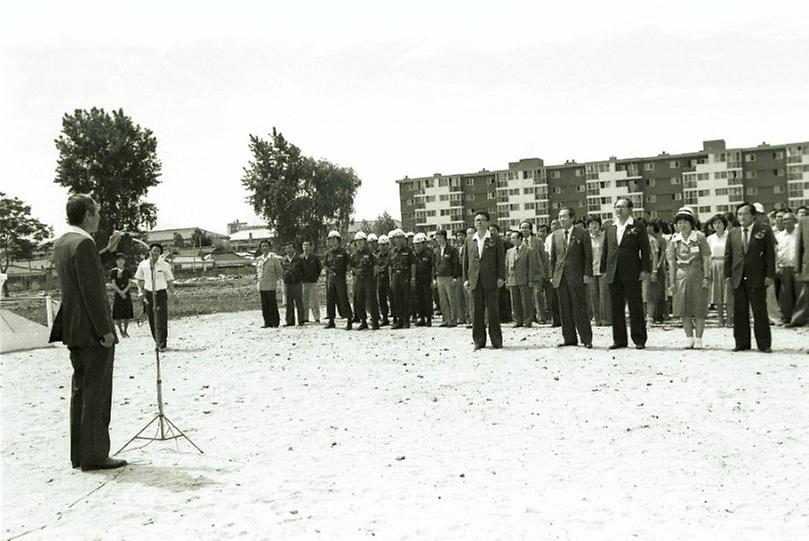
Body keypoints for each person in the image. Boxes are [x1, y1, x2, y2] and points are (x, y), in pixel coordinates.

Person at [49, 193, 126, 471]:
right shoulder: (83, 243)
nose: (99, 217)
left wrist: (106, 251)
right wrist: (105, 330)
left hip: (73, 329)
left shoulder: (64, 242)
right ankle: (95, 456)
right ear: (87, 214)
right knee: (97, 392)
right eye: (97, 212)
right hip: (92, 330)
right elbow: (91, 291)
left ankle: (80, 454)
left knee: (81, 391)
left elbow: (84, 271)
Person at [725, 202, 776, 352]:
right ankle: (741, 343)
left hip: (757, 277)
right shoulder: (733, 233)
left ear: (753, 215)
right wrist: (727, 275)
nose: (742, 217)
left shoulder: (764, 231)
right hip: (738, 277)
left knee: (759, 311)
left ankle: (764, 344)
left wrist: (769, 275)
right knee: (740, 312)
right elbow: (728, 256)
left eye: (745, 214)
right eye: (739, 214)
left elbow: (770, 256)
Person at [600, 198, 651, 350]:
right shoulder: (610, 227)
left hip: (632, 272)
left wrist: (644, 269)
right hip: (613, 271)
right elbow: (605, 250)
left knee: (635, 306)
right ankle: (619, 340)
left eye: (622, 207)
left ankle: (639, 339)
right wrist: (603, 270)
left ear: (629, 209)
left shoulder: (637, 226)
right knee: (616, 307)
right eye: (616, 207)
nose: (619, 210)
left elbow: (645, 250)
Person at [667, 207, 711, 349]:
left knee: (699, 307)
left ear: (691, 223)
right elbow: (672, 262)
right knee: (683, 308)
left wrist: (706, 276)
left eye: (686, 222)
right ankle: (689, 338)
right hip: (681, 275)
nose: (682, 225)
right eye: (679, 222)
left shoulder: (700, 237)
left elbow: (706, 258)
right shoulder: (674, 240)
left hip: (697, 274)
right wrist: (672, 281)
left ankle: (698, 338)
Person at [550, 207, 593, 348]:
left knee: (579, 308)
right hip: (560, 277)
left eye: (564, 217)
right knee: (564, 309)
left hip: (577, 276)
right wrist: (552, 275)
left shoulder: (582, 233)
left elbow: (588, 256)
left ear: (572, 218)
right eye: (560, 217)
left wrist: (587, 274)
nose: (561, 219)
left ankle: (586, 339)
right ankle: (569, 339)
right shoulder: (555, 235)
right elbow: (554, 258)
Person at [463, 211, 505, 349]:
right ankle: (479, 341)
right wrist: (466, 279)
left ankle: (496, 341)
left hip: (491, 280)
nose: (479, 222)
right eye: (476, 220)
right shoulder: (469, 239)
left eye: (482, 220)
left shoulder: (495, 238)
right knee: (476, 312)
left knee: (493, 311)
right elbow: (465, 262)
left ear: (487, 222)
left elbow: (500, 260)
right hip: (475, 280)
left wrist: (501, 277)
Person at [135, 243, 175, 352]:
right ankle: (157, 342)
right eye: (154, 250)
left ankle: (162, 344)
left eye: (158, 251)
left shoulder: (164, 265)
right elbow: (139, 280)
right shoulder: (143, 264)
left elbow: (170, 280)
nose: (155, 252)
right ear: (150, 251)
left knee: (161, 318)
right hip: (148, 294)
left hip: (161, 294)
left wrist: (173, 294)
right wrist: (140, 292)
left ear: (160, 253)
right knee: (152, 319)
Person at [506, 230, 538, 327]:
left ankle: (527, 320)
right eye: (511, 238)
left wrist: (531, 280)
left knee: (526, 301)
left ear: (520, 238)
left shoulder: (528, 250)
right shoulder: (509, 251)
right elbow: (506, 266)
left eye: (513, 238)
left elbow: (531, 266)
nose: (511, 240)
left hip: (524, 279)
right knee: (515, 302)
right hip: (512, 279)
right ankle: (517, 320)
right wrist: (507, 280)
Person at [350, 231, 380, 330]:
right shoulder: (354, 254)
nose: (359, 243)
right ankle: (363, 321)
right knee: (359, 300)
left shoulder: (370, 253)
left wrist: (373, 277)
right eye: (357, 242)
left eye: (361, 241)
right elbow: (352, 266)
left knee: (372, 301)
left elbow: (376, 266)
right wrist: (356, 272)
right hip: (359, 279)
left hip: (369, 279)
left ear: (365, 242)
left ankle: (375, 321)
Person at [324, 230, 353, 330]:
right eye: (330, 240)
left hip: (340, 278)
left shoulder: (344, 252)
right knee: (330, 299)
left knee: (343, 298)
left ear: (338, 240)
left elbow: (348, 266)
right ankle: (331, 320)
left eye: (334, 239)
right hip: (331, 278)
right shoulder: (328, 253)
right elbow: (326, 266)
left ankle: (349, 320)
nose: (332, 242)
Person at [707, 214, 732, 327]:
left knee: (728, 294)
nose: (717, 225)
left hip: (727, 264)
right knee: (717, 294)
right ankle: (720, 319)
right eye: (715, 223)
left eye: (719, 223)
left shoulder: (729, 236)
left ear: (724, 224)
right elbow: (707, 255)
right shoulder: (710, 238)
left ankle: (730, 319)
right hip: (714, 265)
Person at [433, 229, 461, 327]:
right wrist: (434, 277)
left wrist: (454, 276)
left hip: (449, 277)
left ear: (444, 237)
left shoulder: (452, 249)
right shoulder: (436, 250)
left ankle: (453, 320)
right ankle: (446, 319)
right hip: (439, 277)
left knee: (451, 299)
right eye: (437, 238)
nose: (438, 240)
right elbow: (434, 265)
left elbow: (455, 264)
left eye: (439, 237)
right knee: (442, 299)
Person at [785, 214, 809, 329]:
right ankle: (798, 320)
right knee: (805, 297)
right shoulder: (804, 222)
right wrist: (797, 269)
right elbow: (799, 248)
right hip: (807, 267)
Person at [389, 228, 415, 329]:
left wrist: (413, 278)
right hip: (396, 275)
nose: (398, 240)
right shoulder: (392, 252)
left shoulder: (408, 251)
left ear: (404, 239)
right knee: (397, 299)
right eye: (396, 238)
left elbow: (413, 264)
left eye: (400, 238)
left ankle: (406, 320)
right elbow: (390, 266)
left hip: (405, 275)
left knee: (406, 298)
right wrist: (391, 279)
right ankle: (399, 320)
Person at [776, 212, 799, 323]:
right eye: (784, 220)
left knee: (800, 292)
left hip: (797, 267)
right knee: (785, 293)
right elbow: (776, 253)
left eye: (789, 220)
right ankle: (787, 316)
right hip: (784, 268)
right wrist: (777, 266)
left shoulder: (800, 234)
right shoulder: (779, 236)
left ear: (795, 221)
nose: (787, 222)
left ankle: (800, 317)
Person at [586, 217, 609, 326]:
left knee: (603, 295)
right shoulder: (587, 238)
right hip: (591, 270)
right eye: (591, 224)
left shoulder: (605, 237)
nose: (594, 226)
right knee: (593, 295)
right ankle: (596, 318)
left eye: (596, 224)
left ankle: (605, 318)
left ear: (600, 225)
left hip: (603, 270)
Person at [255, 240, 282, 328]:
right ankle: (267, 322)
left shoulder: (274, 258)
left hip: (271, 284)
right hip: (262, 285)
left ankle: (275, 322)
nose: (264, 248)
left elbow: (279, 271)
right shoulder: (259, 259)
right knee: (265, 305)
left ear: (269, 247)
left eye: (266, 246)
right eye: (263, 246)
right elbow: (258, 272)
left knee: (272, 304)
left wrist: (276, 280)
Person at [412, 233, 434, 326]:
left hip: (427, 280)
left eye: (419, 244)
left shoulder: (429, 254)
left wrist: (433, 280)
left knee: (427, 299)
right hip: (417, 280)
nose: (417, 246)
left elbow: (432, 267)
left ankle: (428, 319)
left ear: (423, 244)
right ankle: (421, 318)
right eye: (415, 244)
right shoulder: (414, 255)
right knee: (418, 299)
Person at [110, 253, 134, 337]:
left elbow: (130, 282)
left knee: (127, 313)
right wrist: (120, 292)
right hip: (117, 293)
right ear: (116, 261)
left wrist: (124, 291)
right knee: (118, 314)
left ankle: (125, 330)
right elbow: (113, 283)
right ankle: (120, 330)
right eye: (119, 260)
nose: (121, 261)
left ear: (124, 261)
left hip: (126, 293)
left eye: (122, 260)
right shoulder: (113, 271)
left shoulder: (127, 271)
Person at [281, 242, 305, 326]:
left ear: (294, 249)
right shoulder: (283, 259)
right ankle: (290, 321)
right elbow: (282, 271)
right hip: (288, 283)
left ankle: (301, 320)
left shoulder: (299, 259)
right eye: (287, 248)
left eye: (290, 248)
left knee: (299, 302)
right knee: (289, 303)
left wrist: (300, 278)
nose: (288, 250)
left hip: (297, 283)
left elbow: (303, 270)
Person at [643, 221, 661, 326]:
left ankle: (650, 318)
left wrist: (654, 271)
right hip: (637, 269)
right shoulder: (635, 239)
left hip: (649, 268)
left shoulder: (652, 240)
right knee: (640, 295)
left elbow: (655, 256)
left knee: (648, 294)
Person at [300, 240, 322, 324]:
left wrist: (315, 276)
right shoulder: (300, 258)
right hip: (303, 282)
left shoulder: (315, 257)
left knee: (314, 301)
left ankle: (317, 317)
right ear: (302, 247)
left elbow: (319, 268)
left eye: (307, 245)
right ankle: (305, 317)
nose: (305, 247)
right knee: (304, 301)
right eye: (304, 245)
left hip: (313, 282)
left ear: (310, 247)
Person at [374, 234, 394, 326]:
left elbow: (389, 266)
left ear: (388, 245)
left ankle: (395, 317)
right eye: (380, 245)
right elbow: (376, 268)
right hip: (380, 279)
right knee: (382, 299)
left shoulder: (391, 255)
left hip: (388, 278)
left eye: (384, 245)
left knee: (392, 299)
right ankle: (385, 317)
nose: (382, 247)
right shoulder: (377, 257)